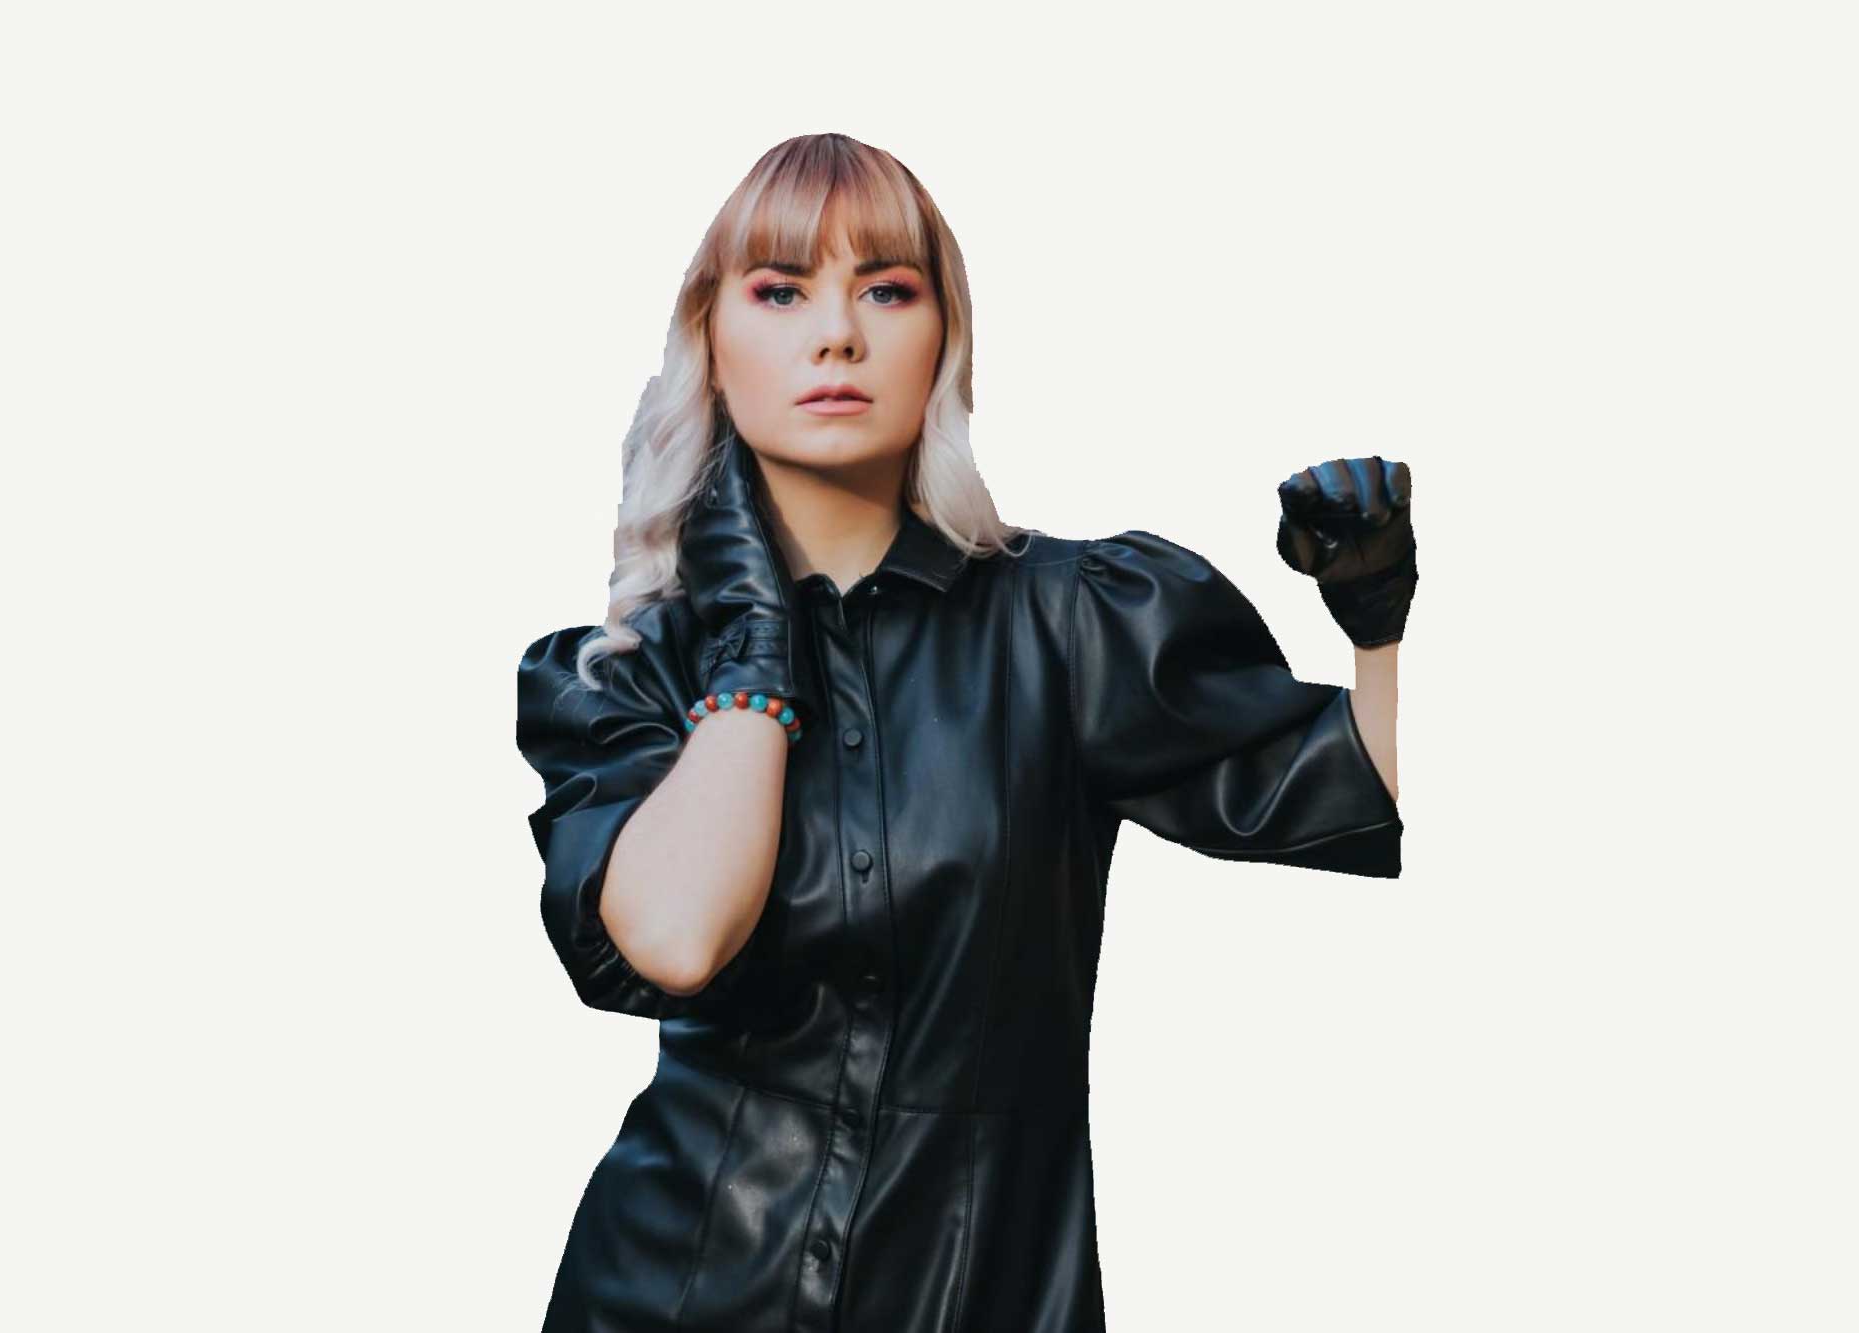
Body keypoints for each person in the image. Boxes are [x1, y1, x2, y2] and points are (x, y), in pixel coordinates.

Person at [515, 132, 1415, 1333]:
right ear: (711, 345)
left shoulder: (1074, 622)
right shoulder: (625, 673)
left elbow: (1372, 795)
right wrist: (753, 636)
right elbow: (676, 938)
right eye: (781, 292)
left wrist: (1380, 623)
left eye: (886, 290)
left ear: (946, 340)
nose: (837, 335)